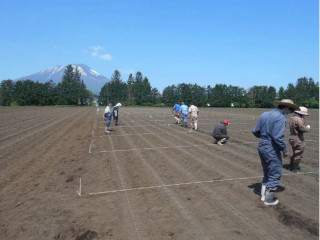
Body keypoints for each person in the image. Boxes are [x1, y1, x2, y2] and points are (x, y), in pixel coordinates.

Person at [252, 99, 299, 206]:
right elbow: (278, 137)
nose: (289, 113)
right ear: (286, 108)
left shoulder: (264, 114)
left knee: (267, 171)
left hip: (262, 146)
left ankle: (263, 196)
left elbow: (255, 131)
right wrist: (285, 150)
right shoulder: (280, 118)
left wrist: (264, 137)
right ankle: (269, 199)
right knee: (275, 172)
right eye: (290, 110)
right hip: (271, 148)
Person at [288, 106, 310, 173]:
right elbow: (302, 129)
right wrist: (307, 128)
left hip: (292, 137)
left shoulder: (292, 118)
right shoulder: (298, 119)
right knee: (299, 153)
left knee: (295, 152)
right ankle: (295, 169)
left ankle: (291, 167)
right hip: (298, 138)